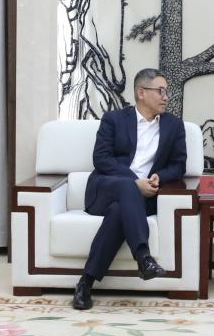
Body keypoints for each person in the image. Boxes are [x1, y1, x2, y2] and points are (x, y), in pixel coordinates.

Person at [72, 69, 181, 311]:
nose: (166, 97)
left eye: (167, 91)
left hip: (140, 200)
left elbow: (178, 165)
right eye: (160, 91)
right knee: (126, 187)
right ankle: (143, 256)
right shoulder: (114, 119)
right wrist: (135, 182)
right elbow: (101, 159)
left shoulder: (174, 126)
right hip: (106, 190)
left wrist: (159, 177)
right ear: (141, 92)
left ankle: (85, 283)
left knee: (119, 212)